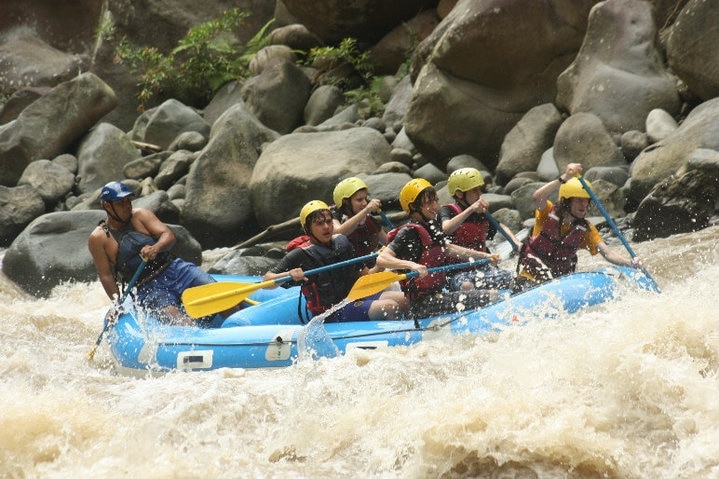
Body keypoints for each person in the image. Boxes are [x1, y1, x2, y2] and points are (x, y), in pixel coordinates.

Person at [88, 181, 230, 326]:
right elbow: (106, 275)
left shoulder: (141, 215)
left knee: (222, 298)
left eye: (128, 200)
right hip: (148, 288)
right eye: (120, 203)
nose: (127, 206)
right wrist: (117, 303)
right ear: (107, 206)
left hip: (176, 270)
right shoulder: (98, 238)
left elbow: (168, 235)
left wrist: (156, 248)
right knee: (181, 323)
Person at [375, 178, 502, 319]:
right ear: (414, 207)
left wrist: (484, 256)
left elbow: (447, 248)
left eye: (435, 201)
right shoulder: (408, 233)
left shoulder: (430, 226)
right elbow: (382, 258)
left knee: (490, 292)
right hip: (423, 304)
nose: (436, 206)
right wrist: (412, 265)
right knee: (492, 295)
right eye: (429, 202)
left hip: (439, 294)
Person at [263, 200, 407, 322]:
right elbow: (266, 281)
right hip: (330, 312)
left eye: (328, 221)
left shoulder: (342, 242)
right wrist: (289, 273)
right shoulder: (299, 254)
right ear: (308, 229)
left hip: (355, 297)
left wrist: (380, 264)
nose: (326, 227)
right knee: (389, 306)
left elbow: (365, 276)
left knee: (406, 300)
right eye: (319, 224)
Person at [512, 163, 644, 293]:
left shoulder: (586, 229)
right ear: (567, 201)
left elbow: (607, 253)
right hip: (529, 280)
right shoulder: (547, 213)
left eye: (586, 200)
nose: (584, 204)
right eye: (579, 200)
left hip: (558, 285)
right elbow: (537, 197)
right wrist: (564, 177)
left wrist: (630, 263)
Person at [439, 167, 519, 291]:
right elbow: (446, 229)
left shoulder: (481, 213)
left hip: (482, 268)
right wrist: (470, 209)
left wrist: (516, 243)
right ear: (460, 194)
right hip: (455, 272)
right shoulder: (447, 211)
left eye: (479, 190)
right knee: (466, 286)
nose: (480, 194)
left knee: (513, 279)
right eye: (474, 190)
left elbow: (501, 226)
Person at [331, 177, 387, 265]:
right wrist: (366, 210)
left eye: (365, 199)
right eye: (359, 200)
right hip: (346, 267)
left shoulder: (369, 219)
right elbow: (337, 233)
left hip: (368, 266)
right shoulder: (333, 214)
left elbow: (388, 241)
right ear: (346, 202)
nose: (365, 203)